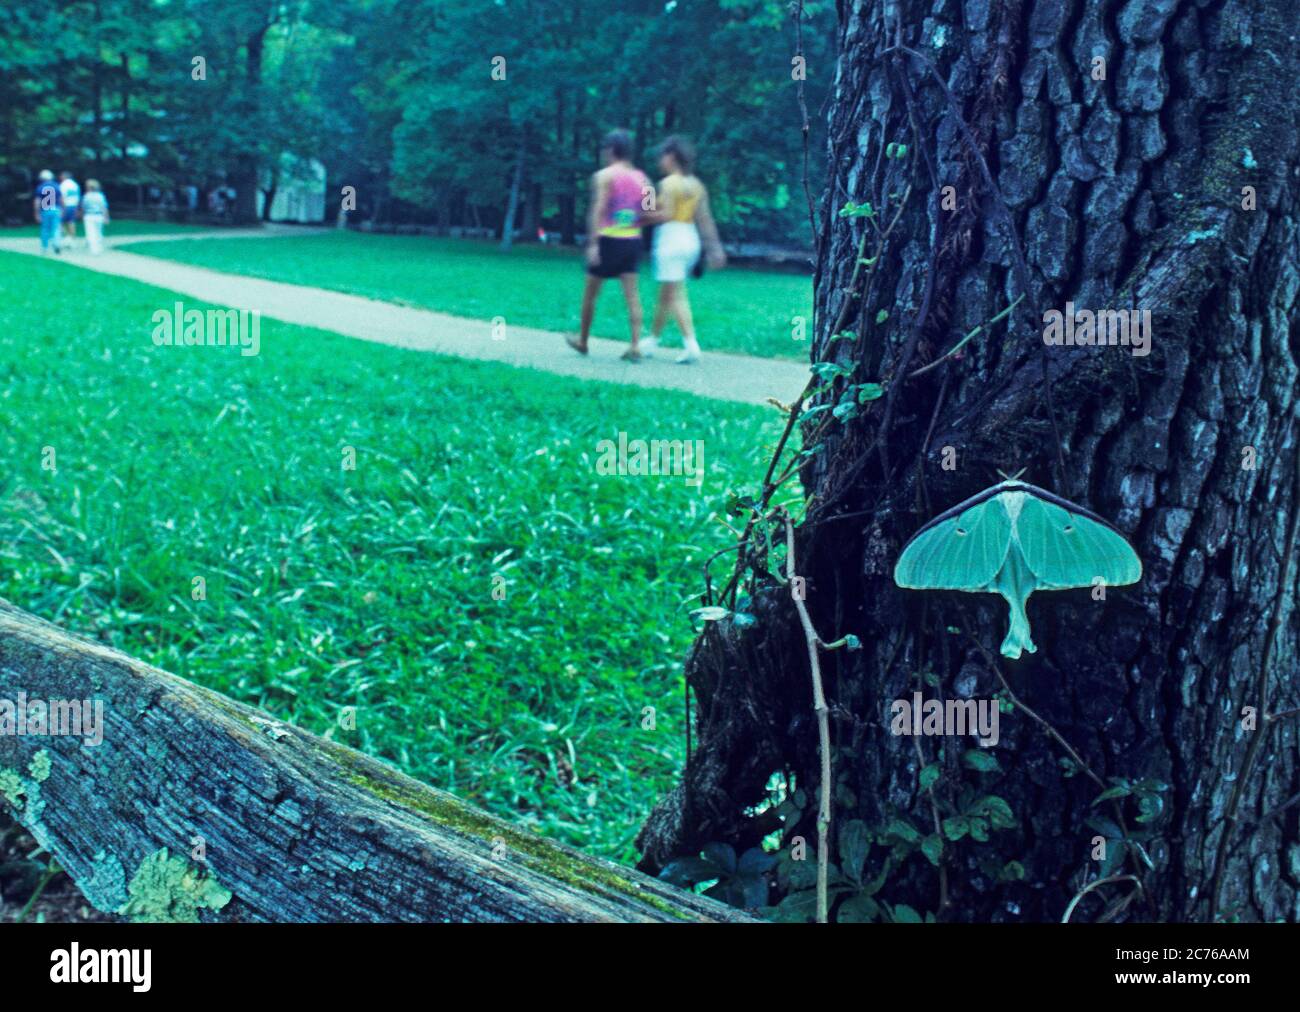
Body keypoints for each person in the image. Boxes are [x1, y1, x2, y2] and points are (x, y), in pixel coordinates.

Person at [566, 130, 652, 362]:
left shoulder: (604, 176)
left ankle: (583, 341)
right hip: (632, 240)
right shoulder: (643, 178)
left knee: (590, 296)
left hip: (607, 239)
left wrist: (593, 243)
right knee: (633, 296)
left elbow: (598, 208)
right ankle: (635, 346)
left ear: (612, 150)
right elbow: (650, 210)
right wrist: (633, 221)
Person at [640, 136, 726, 364]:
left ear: (671, 157)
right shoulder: (697, 185)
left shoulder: (668, 184)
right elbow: (705, 219)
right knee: (667, 293)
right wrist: (715, 249)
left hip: (670, 237)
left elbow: (663, 214)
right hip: (690, 237)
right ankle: (652, 340)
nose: (660, 161)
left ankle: (691, 344)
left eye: (662, 156)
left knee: (675, 293)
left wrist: (641, 211)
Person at [33, 170, 63, 254]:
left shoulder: (40, 187)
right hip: (55, 209)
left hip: (45, 210)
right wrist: (63, 209)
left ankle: (44, 247)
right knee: (56, 228)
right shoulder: (57, 186)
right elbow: (61, 199)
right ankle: (57, 244)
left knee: (45, 229)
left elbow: (37, 201)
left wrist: (36, 213)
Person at [80, 180, 110, 254]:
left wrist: (81, 215)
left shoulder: (86, 196)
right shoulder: (100, 196)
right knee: (99, 232)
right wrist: (106, 217)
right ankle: (99, 247)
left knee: (90, 233)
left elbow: (83, 207)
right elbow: (104, 207)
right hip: (99, 215)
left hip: (89, 216)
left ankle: (94, 249)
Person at [59, 172, 81, 247]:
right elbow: (78, 197)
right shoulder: (75, 185)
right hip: (74, 205)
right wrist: (78, 208)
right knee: (71, 222)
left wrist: (62, 207)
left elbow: (62, 197)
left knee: (60, 222)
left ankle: (66, 237)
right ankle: (73, 240)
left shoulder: (63, 185)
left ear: (64, 177)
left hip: (66, 205)